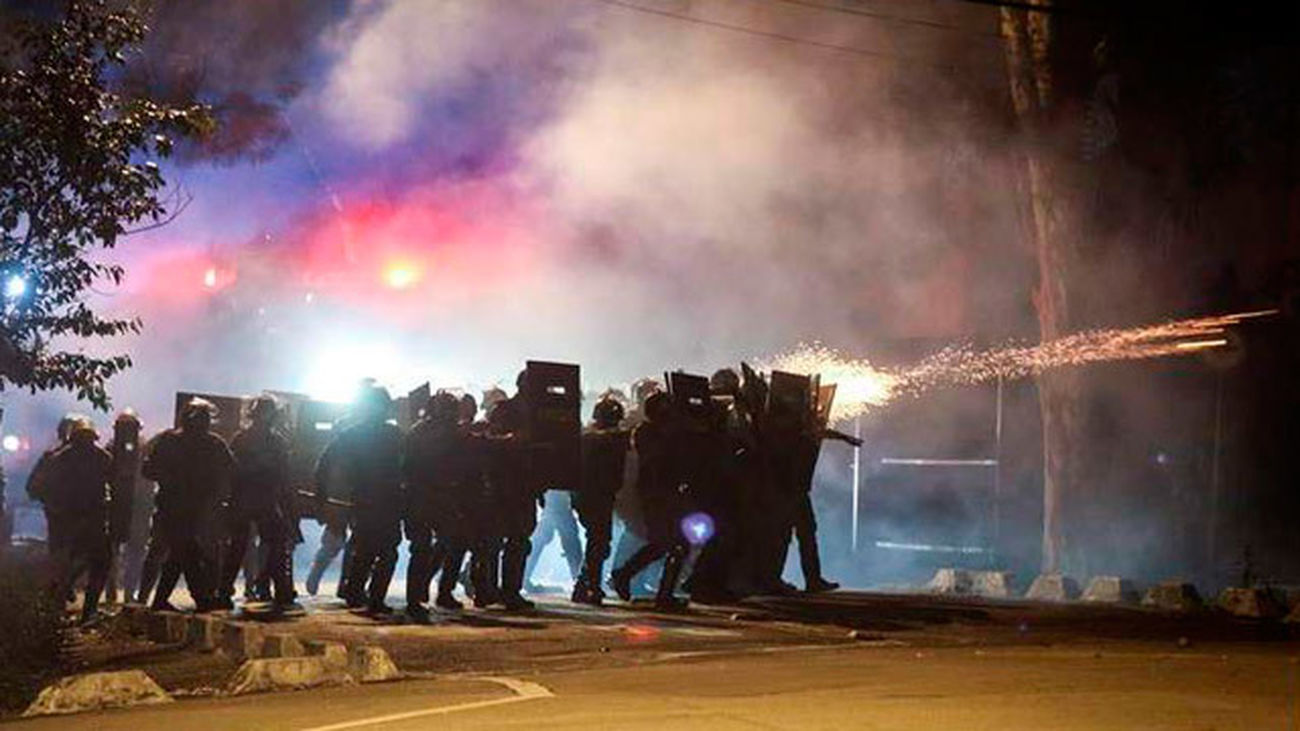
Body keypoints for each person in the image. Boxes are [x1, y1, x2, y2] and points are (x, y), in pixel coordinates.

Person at [317, 385, 404, 615]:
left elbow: (324, 462)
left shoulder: (354, 434)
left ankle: (357, 593)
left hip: (367, 498)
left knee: (367, 549)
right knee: (385, 552)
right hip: (385, 499)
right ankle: (370, 597)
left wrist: (321, 494)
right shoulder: (394, 435)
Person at [141, 399, 235, 612]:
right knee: (186, 552)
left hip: (184, 508)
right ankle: (201, 599)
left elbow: (148, 469)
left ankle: (165, 600)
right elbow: (149, 470)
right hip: (184, 508)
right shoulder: (210, 443)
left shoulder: (175, 441)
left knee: (180, 554)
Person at [609, 392, 690, 610]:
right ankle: (656, 591)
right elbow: (656, 459)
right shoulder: (647, 432)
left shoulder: (662, 432)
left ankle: (632, 577)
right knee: (671, 543)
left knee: (668, 544)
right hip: (656, 494)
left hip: (666, 493)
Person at [221, 396, 296, 608]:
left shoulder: (241, 438)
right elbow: (284, 475)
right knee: (275, 544)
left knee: (238, 547)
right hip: (263, 500)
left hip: (245, 500)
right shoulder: (275, 441)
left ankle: (224, 591)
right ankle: (280, 590)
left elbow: (231, 471)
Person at [43, 418, 113, 624]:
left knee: (77, 562)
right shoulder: (102, 457)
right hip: (91, 522)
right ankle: (87, 611)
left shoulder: (59, 459)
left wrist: (55, 511)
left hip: (69, 522)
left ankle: (60, 594)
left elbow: (43, 489)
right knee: (99, 563)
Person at [572, 396, 630, 606]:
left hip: (597, 495)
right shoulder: (593, 438)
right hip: (593, 495)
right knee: (598, 541)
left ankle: (583, 585)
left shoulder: (594, 438)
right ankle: (590, 586)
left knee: (598, 542)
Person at [26, 414, 82, 559]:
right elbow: (33, 487)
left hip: (74, 517)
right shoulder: (51, 457)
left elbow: (33, 487)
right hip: (65, 516)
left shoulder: (51, 457)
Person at [105, 410, 143, 604]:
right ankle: (116, 589)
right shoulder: (111, 450)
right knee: (116, 550)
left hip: (135, 507)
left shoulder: (143, 450)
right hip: (122, 506)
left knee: (131, 550)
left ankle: (125, 591)